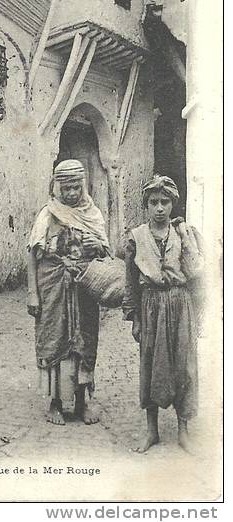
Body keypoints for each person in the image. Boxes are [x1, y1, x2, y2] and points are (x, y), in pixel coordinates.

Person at [123, 175, 204, 454]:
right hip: (151, 306)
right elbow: (131, 281)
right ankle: (152, 431)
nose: (159, 208)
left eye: (165, 202)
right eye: (153, 202)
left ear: (173, 204)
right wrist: (134, 317)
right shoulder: (136, 237)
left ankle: (183, 431)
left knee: (184, 365)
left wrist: (197, 315)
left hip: (180, 305)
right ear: (146, 205)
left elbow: (196, 278)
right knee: (151, 364)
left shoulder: (183, 233)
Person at [27, 159, 110, 425]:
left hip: (84, 287)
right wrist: (33, 294)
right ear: (57, 187)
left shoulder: (93, 214)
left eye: (77, 187)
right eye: (67, 188)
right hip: (53, 287)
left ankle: (82, 402)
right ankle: (55, 403)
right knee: (56, 340)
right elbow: (33, 255)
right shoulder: (48, 214)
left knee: (84, 342)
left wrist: (95, 243)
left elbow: (105, 252)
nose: (72, 193)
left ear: (83, 186)